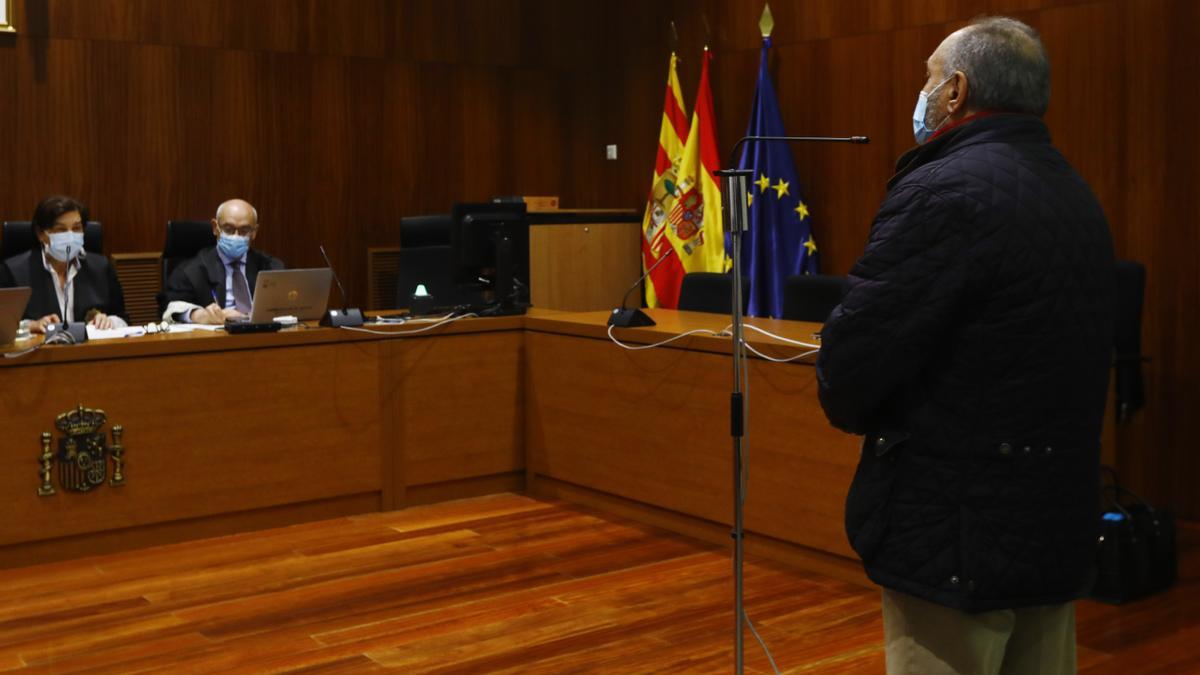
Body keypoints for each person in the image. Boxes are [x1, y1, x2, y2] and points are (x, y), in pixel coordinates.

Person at [815, 17, 1114, 675]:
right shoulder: (1077, 194)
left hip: (954, 536)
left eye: (928, 76)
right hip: (1052, 524)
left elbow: (851, 367)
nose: (919, 92)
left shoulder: (941, 191)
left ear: (955, 91)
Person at [0, 195, 126, 333]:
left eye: (77, 228)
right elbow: (3, 327)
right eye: (61, 230)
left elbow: (123, 318)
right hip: (40, 353)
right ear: (41, 234)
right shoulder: (13, 272)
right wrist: (28, 326)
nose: (70, 236)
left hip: (91, 352)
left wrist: (110, 321)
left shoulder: (101, 268)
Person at [162, 198, 284, 324]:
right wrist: (198, 315)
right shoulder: (190, 271)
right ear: (215, 228)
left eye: (244, 230)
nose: (236, 236)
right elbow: (169, 307)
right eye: (228, 229)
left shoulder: (270, 267)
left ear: (254, 232)